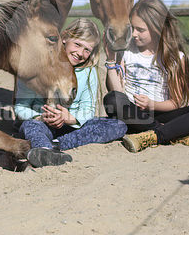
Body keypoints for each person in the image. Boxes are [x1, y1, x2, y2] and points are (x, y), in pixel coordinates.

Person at [103, 0, 189, 153]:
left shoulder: (175, 57)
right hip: (132, 113)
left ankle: (153, 135)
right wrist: (111, 62)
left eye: (141, 30)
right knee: (112, 100)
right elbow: (117, 92)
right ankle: (173, 134)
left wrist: (152, 104)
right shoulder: (126, 51)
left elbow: (176, 102)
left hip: (162, 112)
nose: (134, 34)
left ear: (157, 28)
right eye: (132, 28)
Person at [15, 18, 127, 167]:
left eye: (87, 50)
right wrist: (40, 117)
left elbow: (88, 109)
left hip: (72, 129)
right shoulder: (36, 67)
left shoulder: (88, 72)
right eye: (77, 44)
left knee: (117, 125)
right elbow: (20, 107)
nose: (80, 53)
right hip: (42, 124)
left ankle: (54, 146)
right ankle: (44, 147)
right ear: (65, 37)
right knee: (30, 126)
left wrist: (71, 118)